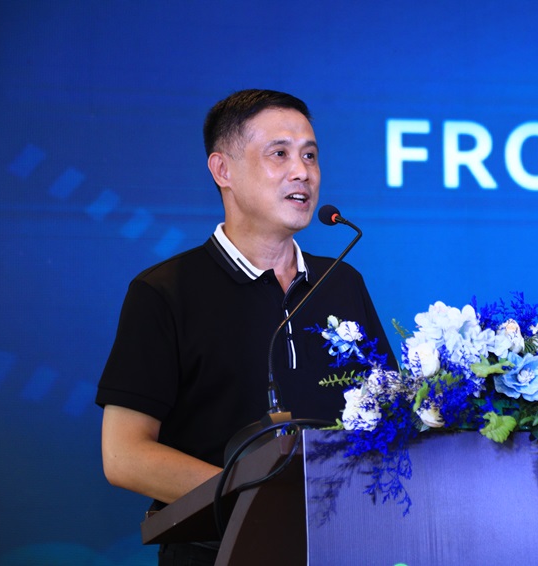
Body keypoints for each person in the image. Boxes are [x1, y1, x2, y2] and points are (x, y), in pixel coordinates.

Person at [96, 89, 395, 565]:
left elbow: (390, 414)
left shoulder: (341, 282)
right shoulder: (165, 291)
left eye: (310, 156)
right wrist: (261, 500)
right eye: (279, 154)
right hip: (221, 552)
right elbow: (124, 454)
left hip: (341, 549)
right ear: (223, 170)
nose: (302, 172)